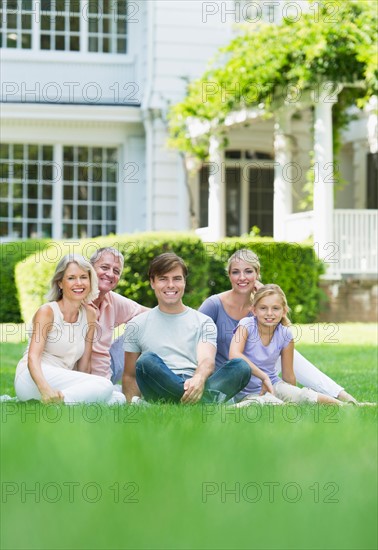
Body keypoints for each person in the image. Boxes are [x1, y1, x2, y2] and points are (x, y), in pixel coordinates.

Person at [199, 249, 357, 403]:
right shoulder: (214, 305)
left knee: (290, 349)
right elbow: (195, 339)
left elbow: (281, 322)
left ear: (257, 273)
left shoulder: (262, 309)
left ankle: (343, 397)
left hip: (262, 371)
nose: (242, 278)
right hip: (230, 376)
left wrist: (265, 293)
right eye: (235, 272)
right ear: (229, 275)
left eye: (248, 271)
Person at [122, 253, 251, 403]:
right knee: (146, 362)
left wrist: (198, 378)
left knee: (240, 367)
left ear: (184, 282)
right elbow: (130, 376)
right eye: (163, 279)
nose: (171, 285)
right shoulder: (136, 325)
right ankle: (206, 403)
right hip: (159, 387)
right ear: (152, 282)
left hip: (197, 383)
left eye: (177, 278)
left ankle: (188, 404)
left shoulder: (204, 321)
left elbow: (207, 360)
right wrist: (131, 405)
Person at [14, 254, 125, 405]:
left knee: (119, 398)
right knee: (105, 386)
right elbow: (32, 359)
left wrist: (85, 387)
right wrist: (45, 389)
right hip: (33, 378)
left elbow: (84, 364)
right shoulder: (47, 312)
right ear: (60, 283)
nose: (78, 283)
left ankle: (60, 401)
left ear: (90, 281)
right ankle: (55, 402)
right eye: (71, 278)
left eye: (83, 277)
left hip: (63, 380)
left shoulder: (90, 314)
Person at [229, 284, 342, 405]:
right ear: (254, 310)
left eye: (275, 308)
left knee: (304, 395)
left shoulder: (285, 334)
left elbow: (288, 375)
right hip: (245, 391)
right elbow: (234, 355)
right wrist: (263, 377)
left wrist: (294, 395)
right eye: (263, 308)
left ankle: (345, 405)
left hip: (274, 385)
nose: (269, 313)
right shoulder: (246, 325)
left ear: (284, 311)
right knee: (261, 403)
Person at [88, 247, 149, 382]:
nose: (110, 274)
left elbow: (152, 315)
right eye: (104, 267)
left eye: (116, 271)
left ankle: (139, 384)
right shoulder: (76, 296)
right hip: (76, 374)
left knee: (143, 326)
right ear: (90, 268)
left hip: (105, 372)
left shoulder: (112, 300)